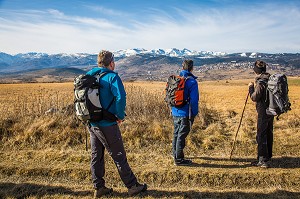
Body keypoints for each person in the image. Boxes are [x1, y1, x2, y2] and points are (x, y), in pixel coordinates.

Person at [86, 50, 147, 198]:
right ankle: (132, 186)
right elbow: (121, 97)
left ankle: (99, 187)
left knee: (97, 155)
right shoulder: (112, 77)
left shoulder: (89, 75)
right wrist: (119, 116)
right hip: (107, 124)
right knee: (119, 155)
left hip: (92, 123)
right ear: (111, 62)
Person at [172, 60, 199, 166]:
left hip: (175, 111)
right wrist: (194, 113)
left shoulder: (177, 79)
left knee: (176, 134)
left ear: (182, 67)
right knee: (181, 136)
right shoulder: (192, 82)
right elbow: (194, 100)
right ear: (192, 68)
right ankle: (179, 160)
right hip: (185, 113)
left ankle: (175, 154)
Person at [248, 60, 274, 168]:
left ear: (256, 70)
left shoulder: (261, 82)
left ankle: (262, 160)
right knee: (268, 132)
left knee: (261, 134)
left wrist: (250, 88)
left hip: (263, 110)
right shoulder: (270, 79)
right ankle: (266, 157)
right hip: (271, 110)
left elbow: (255, 97)